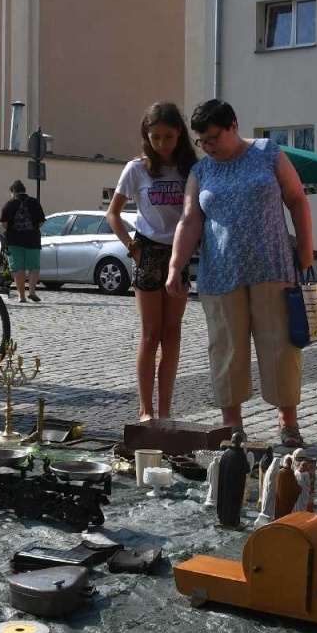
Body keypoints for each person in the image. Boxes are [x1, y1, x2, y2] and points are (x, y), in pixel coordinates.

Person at [166, 99, 313, 449]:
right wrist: (176, 266)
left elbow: (297, 199)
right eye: (202, 141)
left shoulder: (267, 152)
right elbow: (189, 221)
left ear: (233, 125)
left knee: (280, 345)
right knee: (226, 348)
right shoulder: (201, 172)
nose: (209, 146)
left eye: (214, 137)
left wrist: (306, 250)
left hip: (273, 266)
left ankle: (287, 422)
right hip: (220, 273)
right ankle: (232, 425)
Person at [107, 101, 192, 423]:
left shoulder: (189, 169)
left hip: (179, 252)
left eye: (168, 137)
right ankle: (146, 410)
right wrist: (131, 246)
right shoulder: (136, 169)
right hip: (148, 250)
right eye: (155, 137)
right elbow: (112, 213)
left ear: (179, 135)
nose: (161, 144)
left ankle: (166, 409)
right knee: (150, 333)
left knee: (172, 334)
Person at [1, 181, 46, 303]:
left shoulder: (9, 204)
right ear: (24, 190)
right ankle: (32, 291)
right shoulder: (34, 202)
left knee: (18, 268)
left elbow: (4, 223)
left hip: (14, 240)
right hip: (33, 239)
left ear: (13, 191)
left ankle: (21, 296)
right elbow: (42, 221)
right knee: (34, 267)